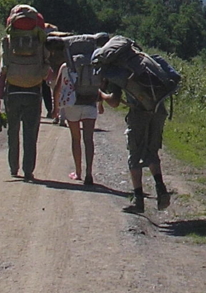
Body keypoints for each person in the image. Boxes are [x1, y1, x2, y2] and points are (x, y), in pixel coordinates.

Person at [100, 69, 173, 213]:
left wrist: (100, 94)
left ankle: (138, 199)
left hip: (139, 114)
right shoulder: (146, 65)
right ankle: (161, 188)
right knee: (151, 151)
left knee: (135, 155)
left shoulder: (118, 71)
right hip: (159, 111)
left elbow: (114, 102)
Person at [0, 4, 52, 181]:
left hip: (12, 93)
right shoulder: (41, 42)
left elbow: (2, 71)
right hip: (33, 92)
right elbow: (46, 70)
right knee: (30, 133)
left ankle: (13, 168)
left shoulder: (8, 42)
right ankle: (28, 170)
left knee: (13, 131)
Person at [55, 49, 103, 183]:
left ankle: (78, 172)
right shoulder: (93, 65)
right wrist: (100, 104)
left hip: (72, 105)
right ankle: (89, 173)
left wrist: (55, 109)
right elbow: (101, 84)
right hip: (90, 103)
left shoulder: (66, 66)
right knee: (89, 139)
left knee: (76, 139)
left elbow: (57, 88)